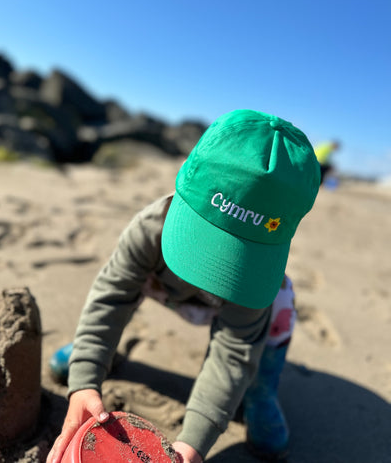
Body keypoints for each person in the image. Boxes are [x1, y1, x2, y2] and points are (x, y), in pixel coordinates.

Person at [47, 109, 321, 463]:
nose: (210, 271)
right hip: (162, 284)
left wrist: (191, 446)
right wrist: (84, 379)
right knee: (105, 321)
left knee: (280, 304)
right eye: (206, 243)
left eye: (230, 258)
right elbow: (111, 297)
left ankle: (259, 392)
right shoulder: (149, 230)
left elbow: (232, 352)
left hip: (235, 308)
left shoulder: (255, 283)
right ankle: (99, 350)